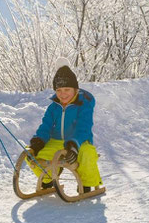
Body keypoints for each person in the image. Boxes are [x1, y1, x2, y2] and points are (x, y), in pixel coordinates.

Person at [27, 58, 102, 193]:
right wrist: (39, 141)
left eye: (67, 89)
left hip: (79, 142)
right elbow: (46, 126)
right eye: (59, 90)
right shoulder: (53, 107)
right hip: (56, 142)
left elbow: (84, 127)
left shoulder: (83, 105)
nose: (63, 94)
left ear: (75, 89)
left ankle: (87, 183)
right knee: (30, 154)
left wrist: (74, 144)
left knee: (87, 154)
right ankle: (48, 178)